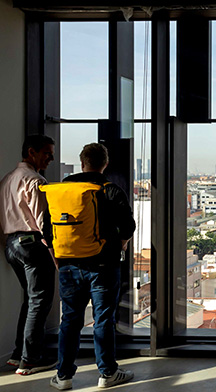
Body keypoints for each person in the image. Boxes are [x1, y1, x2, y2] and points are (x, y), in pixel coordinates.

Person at [46, 143, 136, 390]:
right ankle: (107, 373)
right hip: (103, 264)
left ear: (81, 162)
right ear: (104, 164)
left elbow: (46, 228)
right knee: (103, 319)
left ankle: (63, 376)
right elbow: (128, 226)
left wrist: (57, 256)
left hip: (68, 264)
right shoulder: (110, 190)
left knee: (70, 320)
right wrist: (122, 244)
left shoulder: (60, 191)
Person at [0, 134, 58, 375]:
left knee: (31, 300)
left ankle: (18, 354)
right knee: (39, 301)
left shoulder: (7, 180)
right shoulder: (35, 180)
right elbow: (42, 222)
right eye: (47, 152)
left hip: (11, 245)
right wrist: (55, 255)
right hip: (32, 244)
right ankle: (31, 358)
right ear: (31, 152)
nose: (51, 158)